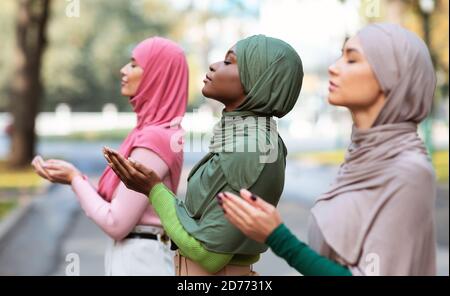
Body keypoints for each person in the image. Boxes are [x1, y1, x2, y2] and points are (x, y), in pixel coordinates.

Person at [219, 23, 437, 276]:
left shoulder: (408, 171)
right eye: (340, 55)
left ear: (392, 76)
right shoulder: (363, 158)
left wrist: (277, 237)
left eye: (352, 60)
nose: (333, 68)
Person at [104, 34, 304, 275]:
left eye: (229, 62)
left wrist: (153, 189)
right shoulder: (248, 139)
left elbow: (208, 255)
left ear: (259, 79)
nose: (214, 65)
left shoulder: (251, 147)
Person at [31, 37, 188, 275]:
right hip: (137, 256)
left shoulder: (155, 138)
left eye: (134, 64)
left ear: (158, 74)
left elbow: (116, 223)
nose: (123, 70)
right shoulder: (147, 133)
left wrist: (75, 179)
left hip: (141, 261)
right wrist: (72, 176)